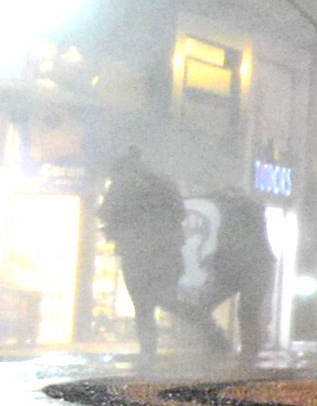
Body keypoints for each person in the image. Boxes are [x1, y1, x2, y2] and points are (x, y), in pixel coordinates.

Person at [98, 152, 196, 364]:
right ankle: (201, 328)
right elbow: (180, 213)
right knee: (166, 299)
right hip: (168, 253)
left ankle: (148, 352)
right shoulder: (166, 183)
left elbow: (105, 212)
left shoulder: (122, 184)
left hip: (136, 254)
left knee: (143, 307)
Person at [207, 189, 278, 362]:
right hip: (251, 268)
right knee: (248, 312)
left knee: (247, 311)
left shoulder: (233, 216)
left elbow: (227, 245)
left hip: (250, 269)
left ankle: (244, 351)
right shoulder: (247, 213)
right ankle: (245, 351)